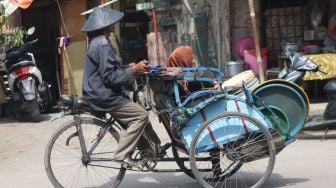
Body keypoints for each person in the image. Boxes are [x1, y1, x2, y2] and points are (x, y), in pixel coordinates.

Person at [81, 7, 161, 169]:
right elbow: (110, 77)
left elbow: (109, 69)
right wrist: (134, 70)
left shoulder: (98, 41)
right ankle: (122, 155)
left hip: (100, 92)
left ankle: (149, 151)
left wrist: (130, 66)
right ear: (104, 26)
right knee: (141, 115)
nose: (113, 25)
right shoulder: (102, 44)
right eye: (110, 23)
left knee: (136, 114)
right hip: (104, 95)